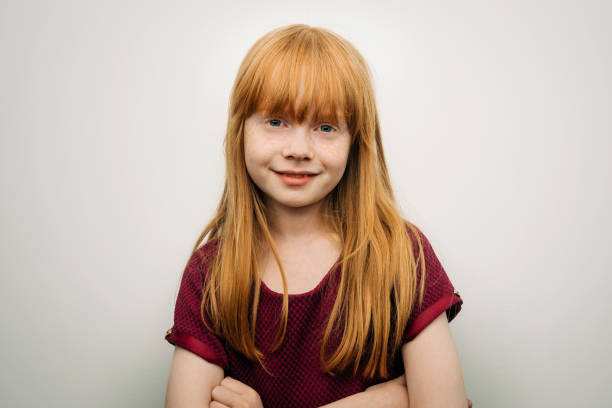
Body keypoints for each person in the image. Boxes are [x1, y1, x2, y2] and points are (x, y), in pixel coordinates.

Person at [164, 24, 471, 408]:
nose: (298, 149)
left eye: (326, 127)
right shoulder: (210, 273)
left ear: (354, 143)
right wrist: (386, 401)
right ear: (240, 130)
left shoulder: (401, 255)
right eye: (275, 122)